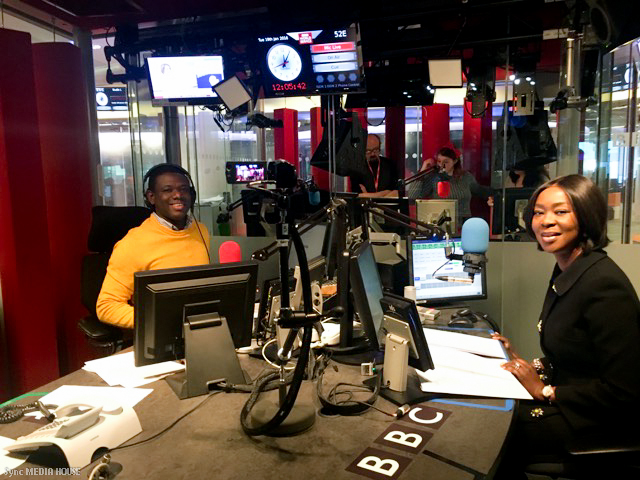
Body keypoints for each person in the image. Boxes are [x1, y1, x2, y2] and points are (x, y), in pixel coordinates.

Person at [493, 174, 640, 478]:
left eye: (560, 211)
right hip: (574, 405)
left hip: (597, 421)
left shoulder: (603, 285)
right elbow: (577, 356)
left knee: (491, 432)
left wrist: (546, 391)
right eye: (539, 212)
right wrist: (522, 362)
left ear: (586, 217)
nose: (546, 221)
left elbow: (624, 391)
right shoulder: (569, 269)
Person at [96, 164, 211, 329]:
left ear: (192, 195)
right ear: (151, 197)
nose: (178, 195)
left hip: (200, 326)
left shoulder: (201, 231)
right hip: (162, 333)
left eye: (183, 189)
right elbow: (107, 306)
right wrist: (158, 320)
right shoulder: (132, 243)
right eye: (167, 190)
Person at [408, 146, 491, 225]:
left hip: (464, 224)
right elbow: (412, 196)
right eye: (439, 161)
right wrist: (422, 171)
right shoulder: (434, 178)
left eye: (446, 162)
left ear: (455, 161)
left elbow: (480, 191)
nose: (441, 165)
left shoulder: (465, 177)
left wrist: (494, 196)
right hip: (442, 223)